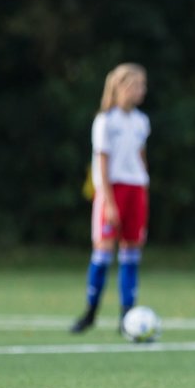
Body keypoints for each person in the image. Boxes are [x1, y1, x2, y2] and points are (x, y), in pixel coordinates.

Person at [70, 63, 150, 334]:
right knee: (103, 252)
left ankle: (127, 317)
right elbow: (101, 163)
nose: (142, 90)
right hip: (112, 191)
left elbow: (141, 159)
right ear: (122, 87)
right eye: (138, 85)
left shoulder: (141, 121)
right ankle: (90, 312)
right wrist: (109, 202)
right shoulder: (105, 121)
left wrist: (144, 196)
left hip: (136, 189)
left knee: (131, 254)